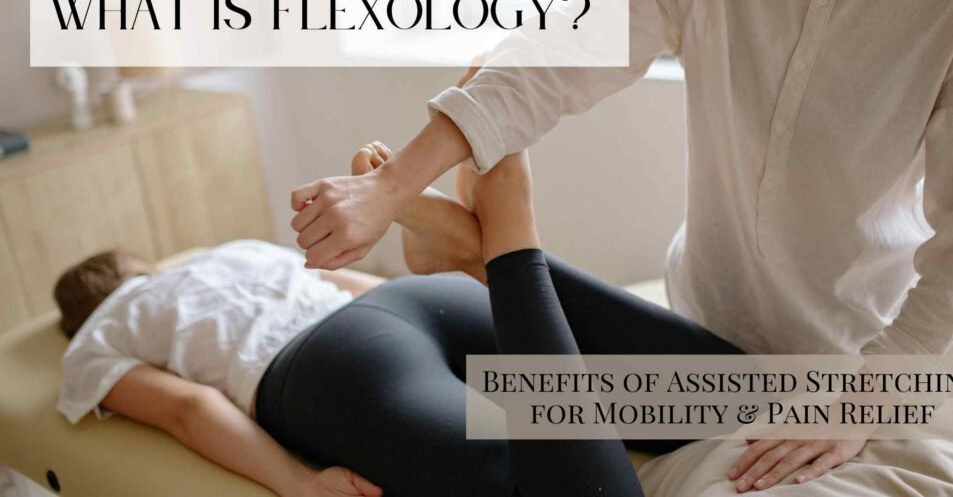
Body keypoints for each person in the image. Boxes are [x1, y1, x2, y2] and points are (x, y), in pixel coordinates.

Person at [290, 0, 953, 490]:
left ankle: (484, 251)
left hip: (844, 362)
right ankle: (482, 250)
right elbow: (555, 56)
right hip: (694, 328)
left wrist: (863, 404)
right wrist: (389, 187)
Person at [59, 143, 750, 497]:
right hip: (398, 305)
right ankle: (470, 256)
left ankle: (502, 242)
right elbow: (340, 278)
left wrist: (296, 483)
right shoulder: (229, 253)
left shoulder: (97, 339)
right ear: (143, 264)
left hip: (331, 361)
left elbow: (188, 408)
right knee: (723, 395)